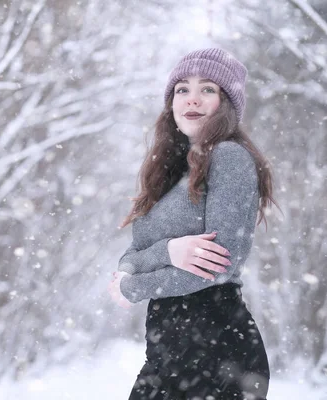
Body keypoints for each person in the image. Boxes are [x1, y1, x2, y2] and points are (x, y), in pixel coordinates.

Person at [107, 48, 280, 400]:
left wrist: (132, 287)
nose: (193, 99)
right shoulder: (171, 171)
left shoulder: (230, 158)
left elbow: (216, 267)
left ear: (227, 102)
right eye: (182, 89)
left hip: (219, 352)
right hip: (168, 353)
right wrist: (170, 251)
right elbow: (134, 251)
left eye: (208, 89)